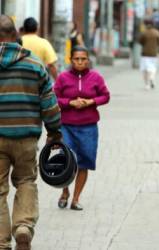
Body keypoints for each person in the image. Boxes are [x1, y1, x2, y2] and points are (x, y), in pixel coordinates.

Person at [0, 15, 61, 250]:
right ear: (16, 35)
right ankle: (23, 226)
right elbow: (49, 102)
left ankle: (2, 242)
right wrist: (54, 132)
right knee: (26, 180)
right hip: (26, 138)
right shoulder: (34, 64)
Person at [54, 46, 110, 211]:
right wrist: (69, 103)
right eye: (76, 59)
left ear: (88, 60)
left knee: (84, 162)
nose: (80, 62)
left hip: (88, 127)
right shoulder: (63, 78)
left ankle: (76, 198)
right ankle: (65, 193)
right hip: (67, 126)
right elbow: (53, 97)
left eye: (83, 59)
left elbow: (106, 96)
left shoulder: (96, 77)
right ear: (71, 60)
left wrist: (90, 101)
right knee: (65, 161)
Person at [139, 19, 159, 90]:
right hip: (154, 53)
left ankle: (147, 84)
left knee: (145, 69)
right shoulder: (157, 32)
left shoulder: (144, 33)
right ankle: (152, 78)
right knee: (153, 68)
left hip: (145, 54)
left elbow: (140, 41)